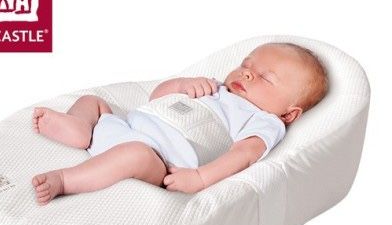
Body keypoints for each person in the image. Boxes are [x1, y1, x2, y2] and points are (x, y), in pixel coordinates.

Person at [31, 42, 328, 203]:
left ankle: (66, 180)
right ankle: (79, 127)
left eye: (265, 78)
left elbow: (243, 156)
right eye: (246, 65)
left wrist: (200, 177)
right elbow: (156, 98)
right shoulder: (214, 86)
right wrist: (182, 84)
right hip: (126, 126)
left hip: (157, 159)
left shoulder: (264, 121)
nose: (247, 74)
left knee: (135, 154)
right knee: (93, 102)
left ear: (288, 114)